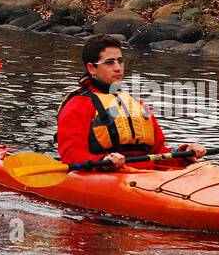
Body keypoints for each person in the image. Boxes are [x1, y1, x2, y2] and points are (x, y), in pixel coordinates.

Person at [56, 39, 206, 169]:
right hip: (106, 173)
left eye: (120, 61)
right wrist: (103, 162)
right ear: (92, 68)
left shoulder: (136, 103)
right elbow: (71, 155)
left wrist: (185, 152)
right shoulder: (78, 105)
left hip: (143, 173)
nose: (118, 68)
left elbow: (158, 151)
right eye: (109, 62)